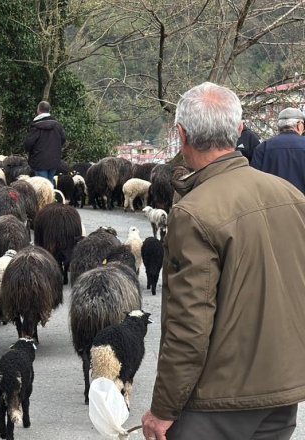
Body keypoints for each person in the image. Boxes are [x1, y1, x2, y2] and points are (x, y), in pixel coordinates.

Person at [141, 82, 305, 440]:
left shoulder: (193, 212)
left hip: (217, 402)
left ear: (181, 134)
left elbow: (189, 326)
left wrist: (163, 409)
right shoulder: (291, 196)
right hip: (283, 391)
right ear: (240, 130)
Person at [250, 107, 305, 193]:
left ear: (278, 126)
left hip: (272, 203)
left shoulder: (262, 148)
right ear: (299, 125)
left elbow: (254, 182)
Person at [23, 101, 65, 186]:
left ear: (38, 110)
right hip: (54, 160)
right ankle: (51, 198)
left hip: (39, 162)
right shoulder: (57, 125)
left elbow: (28, 144)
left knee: (42, 186)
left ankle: (47, 199)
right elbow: (63, 140)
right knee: (49, 184)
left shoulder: (36, 127)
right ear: (49, 110)